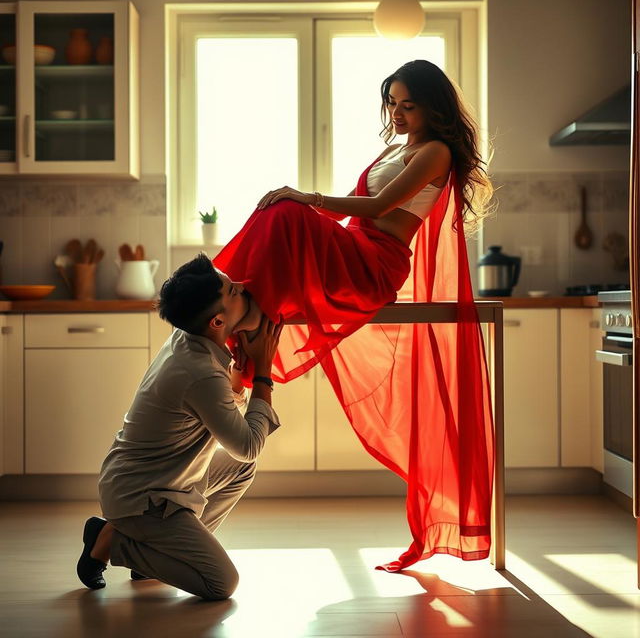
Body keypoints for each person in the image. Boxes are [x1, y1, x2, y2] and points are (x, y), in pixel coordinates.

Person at [214, 59, 496, 572]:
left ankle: (228, 314)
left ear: (434, 106)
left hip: (377, 262)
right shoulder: (396, 147)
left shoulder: (435, 153)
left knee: (287, 209)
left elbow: (381, 205)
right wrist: (304, 225)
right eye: (392, 103)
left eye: (409, 104)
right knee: (280, 213)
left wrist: (306, 200)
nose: (399, 113)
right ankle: (236, 318)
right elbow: (345, 219)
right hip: (353, 248)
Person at [76, 254, 283, 599]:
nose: (244, 288)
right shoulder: (199, 371)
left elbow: (230, 429)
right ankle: (112, 542)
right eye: (234, 291)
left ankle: (158, 554)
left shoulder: (189, 338)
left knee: (239, 469)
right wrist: (263, 370)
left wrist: (239, 374)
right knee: (221, 584)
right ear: (217, 321)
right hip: (141, 498)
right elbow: (247, 443)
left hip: (161, 480)